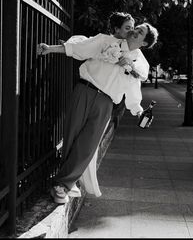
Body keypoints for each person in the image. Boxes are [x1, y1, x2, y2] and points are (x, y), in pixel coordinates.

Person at [37, 21, 158, 204]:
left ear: (145, 43)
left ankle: (63, 184)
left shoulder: (140, 63)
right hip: (85, 90)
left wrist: (138, 111)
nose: (135, 30)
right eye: (137, 27)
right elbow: (80, 48)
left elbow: (133, 88)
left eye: (140, 32)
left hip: (106, 103)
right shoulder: (107, 41)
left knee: (88, 146)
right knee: (72, 136)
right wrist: (50, 49)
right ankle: (63, 183)